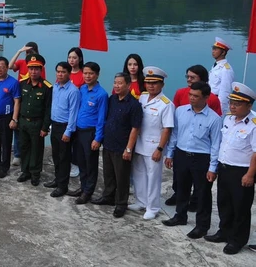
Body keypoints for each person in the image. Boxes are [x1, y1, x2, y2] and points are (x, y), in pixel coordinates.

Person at [163, 82, 222, 239]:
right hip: (182, 154)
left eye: (196, 96)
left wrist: (212, 167)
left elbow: (216, 145)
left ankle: (202, 226)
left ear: (206, 98)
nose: (192, 98)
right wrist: (170, 154)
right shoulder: (181, 111)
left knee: (203, 193)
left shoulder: (214, 119)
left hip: (202, 158)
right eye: (190, 95)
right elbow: (174, 134)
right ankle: (180, 216)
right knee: (181, 188)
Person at [204, 82, 256, 255]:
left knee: (240, 207)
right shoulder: (228, 118)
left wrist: (250, 174)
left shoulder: (254, 124)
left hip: (242, 171)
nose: (232, 106)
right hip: (225, 167)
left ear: (249, 105)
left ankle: (237, 240)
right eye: (232, 102)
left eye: (237, 103)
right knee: (224, 203)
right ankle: (224, 232)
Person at [166, 64, 222, 207]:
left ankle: (196, 203)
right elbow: (176, 129)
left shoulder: (214, 107)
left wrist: (213, 166)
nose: (189, 79)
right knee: (180, 181)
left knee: (201, 187)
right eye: (187, 77)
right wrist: (170, 153)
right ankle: (179, 206)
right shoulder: (180, 99)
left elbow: (215, 137)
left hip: (201, 152)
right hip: (182, 149)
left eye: (193, 77)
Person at [92, 73, 142, 217]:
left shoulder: (134, 105)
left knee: (122, 177)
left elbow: (135, 128)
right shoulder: (112, 99)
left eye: (120, 83)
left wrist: (128, 149)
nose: (117, 86)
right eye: (115, 83)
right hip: (108, 144)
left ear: (128, 85)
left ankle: (121, 203)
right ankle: (108, 197)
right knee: (108, 174)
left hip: (122, 147)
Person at [133, 66, 174, 220]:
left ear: (162, 84)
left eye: (155, 83)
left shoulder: (166, 104)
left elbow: (166, 129)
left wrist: (160, 148)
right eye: (148, 82)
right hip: (139, 143)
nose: (151, 86)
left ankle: (153, 207)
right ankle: (141, 201)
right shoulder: (142, 97)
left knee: (153, 178)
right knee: (139, 175)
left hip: (154, 146)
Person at [70, 62, 108, 205]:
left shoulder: (102, 94)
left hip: (91, 133)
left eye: (90, 73)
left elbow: (101, 118)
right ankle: (83, 186)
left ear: (97, 75)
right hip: (79, 131)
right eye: (85, 73)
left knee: (90, 163)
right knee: (80, 161)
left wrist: (98, 138)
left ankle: (88, 192)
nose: (87, 76)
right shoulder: (82, 89)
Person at [15, 55, 52, 186]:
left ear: (41, 70)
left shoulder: (47, 87)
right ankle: (25, 172)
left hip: (37, 123)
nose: (33, 72)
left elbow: (48, 109)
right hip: (23, 121)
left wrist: (45, 127)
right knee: (24, 147)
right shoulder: (22, 84)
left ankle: (35, 174)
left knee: (37, 150)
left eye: (36, 69)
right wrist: (16, 120)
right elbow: (18, 103)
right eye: (31, 69)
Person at [44, 61, 79, 197]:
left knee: (64, 158)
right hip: (55, 125)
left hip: (65, 127)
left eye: (63, 72)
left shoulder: (73, 91)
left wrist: (68, 131)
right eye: (58, 71)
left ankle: (63, 186)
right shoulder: (55, 87)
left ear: (69, 74)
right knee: (56, 156)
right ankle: (57, 180)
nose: (60, 74)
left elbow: (73, 113)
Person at [66, 47, 84, 179]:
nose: (72, 60)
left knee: (76, 142)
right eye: (70, 57)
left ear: (80, 59)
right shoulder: (65, 73)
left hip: (77, 113)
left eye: (74, 58)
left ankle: (75, 164)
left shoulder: (84, 75)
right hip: (64, 114)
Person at [209, 37, 235, 116]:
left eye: (216, 49)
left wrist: (221, 110)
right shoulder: (215, 65)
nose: (213, 51)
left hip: (217, 102)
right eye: (213, 48)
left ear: (223, 52)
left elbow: (225, 92)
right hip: (210, 99)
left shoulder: (226, 69)